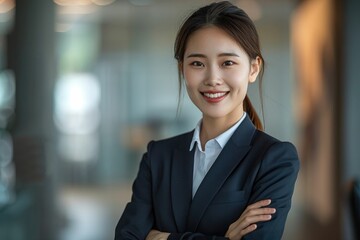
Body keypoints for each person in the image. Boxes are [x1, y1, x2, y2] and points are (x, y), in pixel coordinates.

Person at [115, 1, 299, 239]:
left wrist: (165, 237)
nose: (213, 78)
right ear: (183, 69)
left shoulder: (275, 159)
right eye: (197, 63)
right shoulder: (157, 157)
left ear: (253, 69)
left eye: (228, 63)